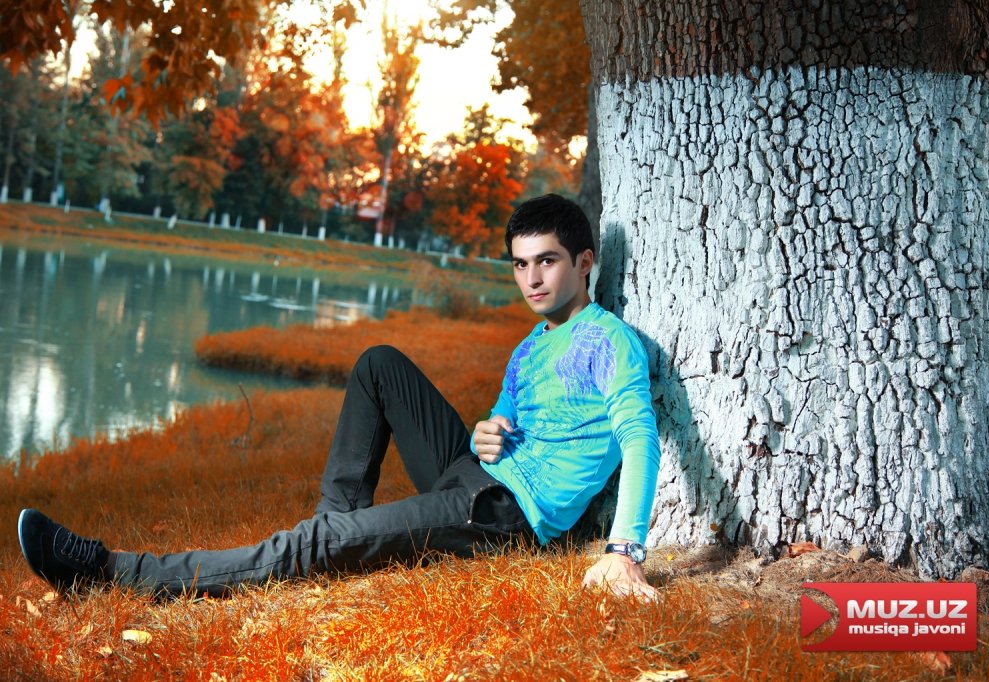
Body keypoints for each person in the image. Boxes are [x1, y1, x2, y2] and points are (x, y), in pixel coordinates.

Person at [17, 194, 661, 600]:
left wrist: (624, 551)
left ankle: (109, 573)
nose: (531, 279)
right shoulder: (532, 344)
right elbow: (500, 422)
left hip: (503, 516)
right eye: (520, 264)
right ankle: (336, 530)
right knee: (378, 364)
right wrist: (485, 431)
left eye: (546, 261)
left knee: (311, 543)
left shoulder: (609, 341)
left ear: (584, 262)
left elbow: (640, 438)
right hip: (477, 473)